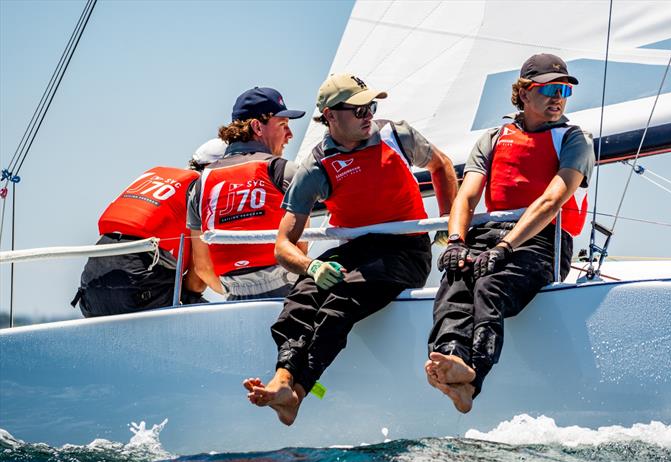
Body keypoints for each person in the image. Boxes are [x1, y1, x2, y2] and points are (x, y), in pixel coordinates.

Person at [243, 73, 458, 425]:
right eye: (358, 109)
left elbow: (443, 166)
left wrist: (447, 226)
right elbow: (283, 245)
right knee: (302, 297)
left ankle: (298, 393)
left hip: (407, 249)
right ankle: (283, 379)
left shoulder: (397, 135)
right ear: (330, 115)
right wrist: (310, 267)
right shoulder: (315, 166)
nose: (368, 115)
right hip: (358, 249)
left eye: (370, 107)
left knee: (340, 299)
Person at [425, 53, 596, 413]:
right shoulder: (492, 138)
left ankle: (472, 377)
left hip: (542, 242)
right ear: (523, 93)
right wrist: (456, 242)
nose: (558, 97)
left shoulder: (574, 140)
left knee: (490, 286)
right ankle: (450, 360)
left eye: (564, 90)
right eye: (550, 88)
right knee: (456, 276)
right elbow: (467, 196)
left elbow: (552, 199)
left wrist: (505, 247)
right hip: (489, 236)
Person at [71, 139, 225, 317]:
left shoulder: (156, 177)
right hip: (136, 291)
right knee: (201, 307)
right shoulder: (202, 191)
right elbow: (199, 276)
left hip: (90, 290)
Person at [187, 87, 306, 300]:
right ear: (257, 127)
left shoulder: (200, 184)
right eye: (283, 125)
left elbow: (203, 268)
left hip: (234, 300)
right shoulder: (286, 171)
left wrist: (234, 291)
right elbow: (301, 253)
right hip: (287, 294)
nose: (290, 135)